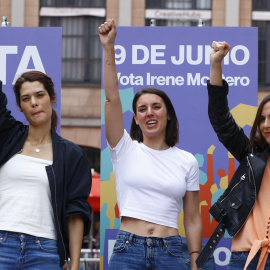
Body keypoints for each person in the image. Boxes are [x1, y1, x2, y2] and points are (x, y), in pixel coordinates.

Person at [98, 19, 202, 270]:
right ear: (135, 118)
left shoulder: (187, 160)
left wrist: (196, 261)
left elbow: (192, 219)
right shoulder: (124, 148)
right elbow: (112, 98)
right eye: (142, 109)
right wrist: (108, 47)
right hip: (128, 249)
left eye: (156, 107)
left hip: (172, 252)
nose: (149, 113)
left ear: (168, 115)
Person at [0, 71, 92, 270]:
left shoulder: (71, 154)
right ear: (20, 107)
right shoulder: (7, 138)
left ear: (52, 98)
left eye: (40, 95)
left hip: (45, 251)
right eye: (26, 98)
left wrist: (74, 265)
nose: (34, 102)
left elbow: (75, 212)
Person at [207, 41, 270, 269]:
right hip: (247, 257)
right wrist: (216, 64)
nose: (266, 125)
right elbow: (220, 117)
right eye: (261, 119)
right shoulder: (251, 154)